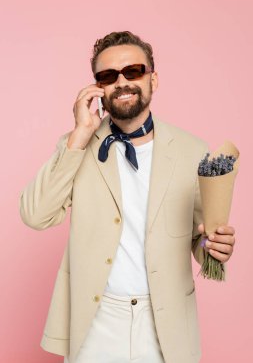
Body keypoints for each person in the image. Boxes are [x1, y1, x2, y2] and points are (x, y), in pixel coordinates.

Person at [19, 31, 236, 363]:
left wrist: (212, 247)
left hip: (166, 321)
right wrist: (79, 134)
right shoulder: (78, 146)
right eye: (108, 76)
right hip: (96, 319)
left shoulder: (192, 150)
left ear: (153, 79)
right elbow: (36, 215)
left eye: (133, 71)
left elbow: (198, 236)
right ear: (98, 88)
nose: (122, 82)